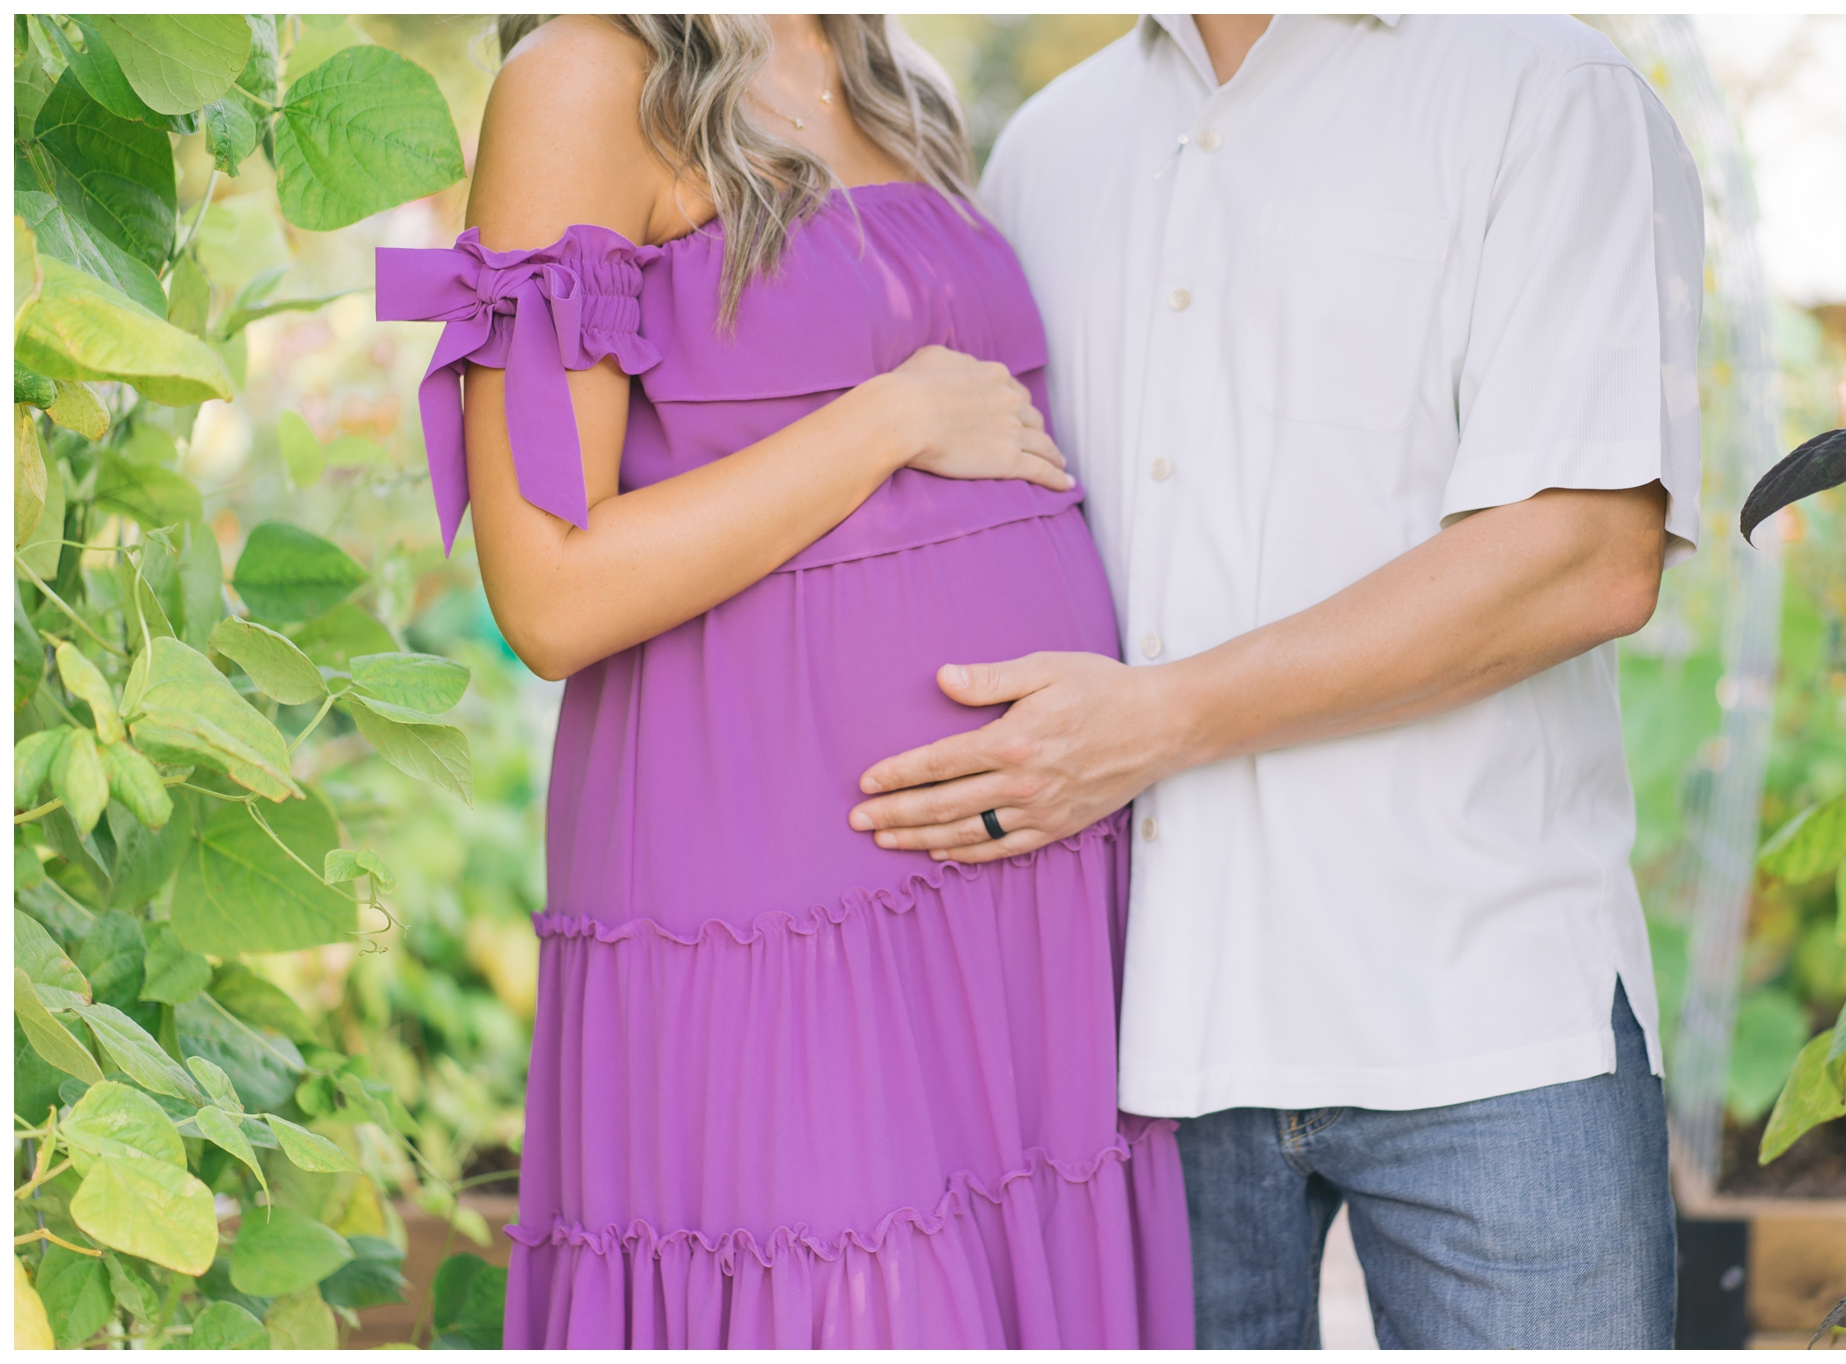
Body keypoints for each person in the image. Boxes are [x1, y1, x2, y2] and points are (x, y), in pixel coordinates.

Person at [848, 14, 1704, 1350]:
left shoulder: (1542, 86)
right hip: (1136, 1047)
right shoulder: (1048, 150)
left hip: (1482, 1020)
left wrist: (1149, 723)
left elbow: (1584, 556)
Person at [375, 14, 1193, 1349]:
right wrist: (891, 418)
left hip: (1019, 898)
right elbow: (549, 589)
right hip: (769, 892)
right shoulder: (585, 80)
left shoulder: (898, 81)